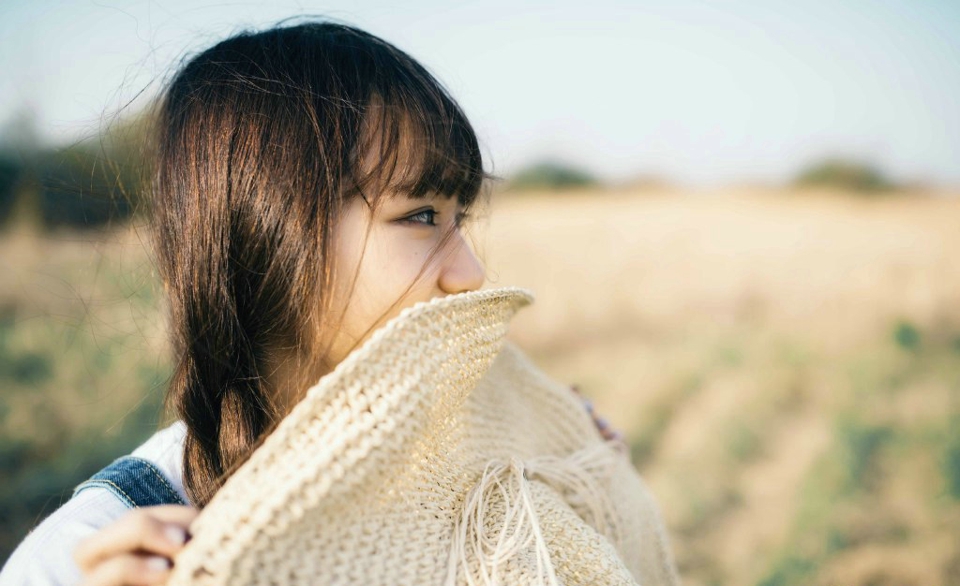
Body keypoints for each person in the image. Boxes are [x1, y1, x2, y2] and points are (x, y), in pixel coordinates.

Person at [0, 20, 668, 586]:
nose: (471, 274)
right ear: (264, 230)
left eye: (461, 219)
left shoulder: (465, 447)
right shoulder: (94, 554)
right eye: (421, 215)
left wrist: (575, 462)